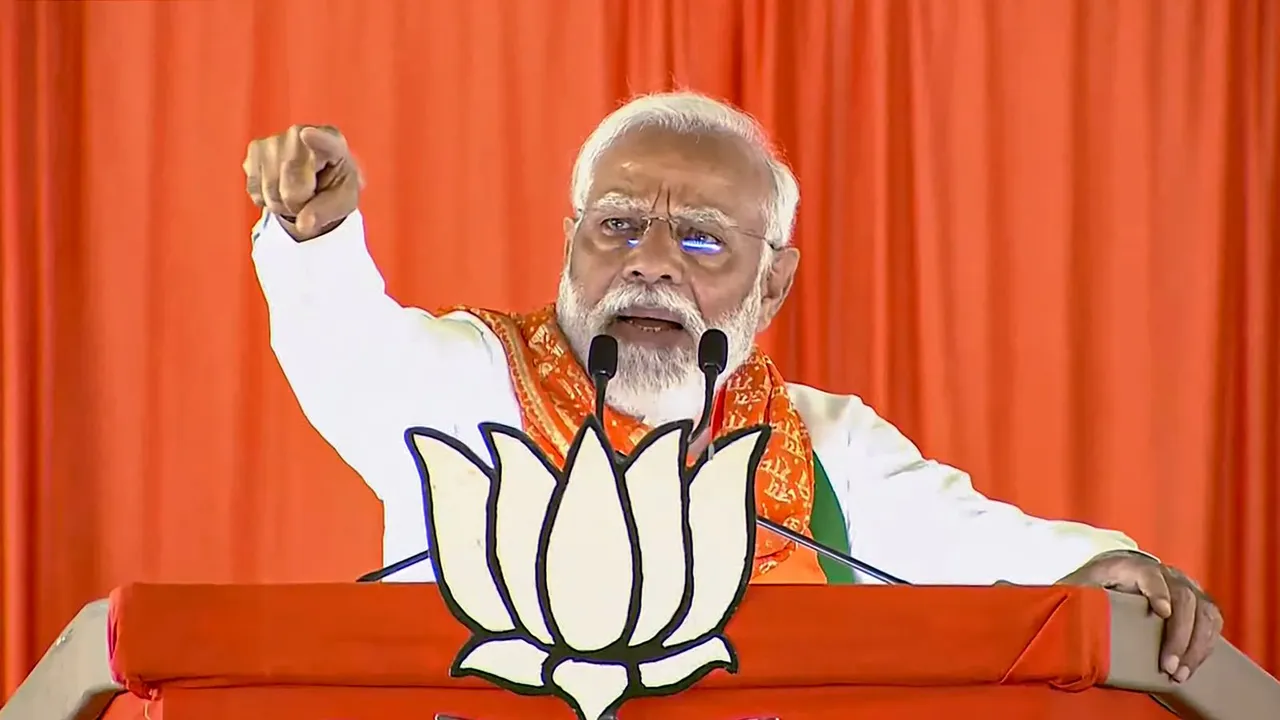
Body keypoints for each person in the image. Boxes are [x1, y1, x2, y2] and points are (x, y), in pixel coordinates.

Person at [243, 91, 1221, 681]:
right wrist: (315, 235)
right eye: (617, 224)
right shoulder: (470, 381)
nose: (651, 264)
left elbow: (977, 543)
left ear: (774, 281)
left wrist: (1097, 570)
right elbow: (351, 349)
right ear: (570, 243)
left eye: (701, 237)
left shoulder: (824, 444)